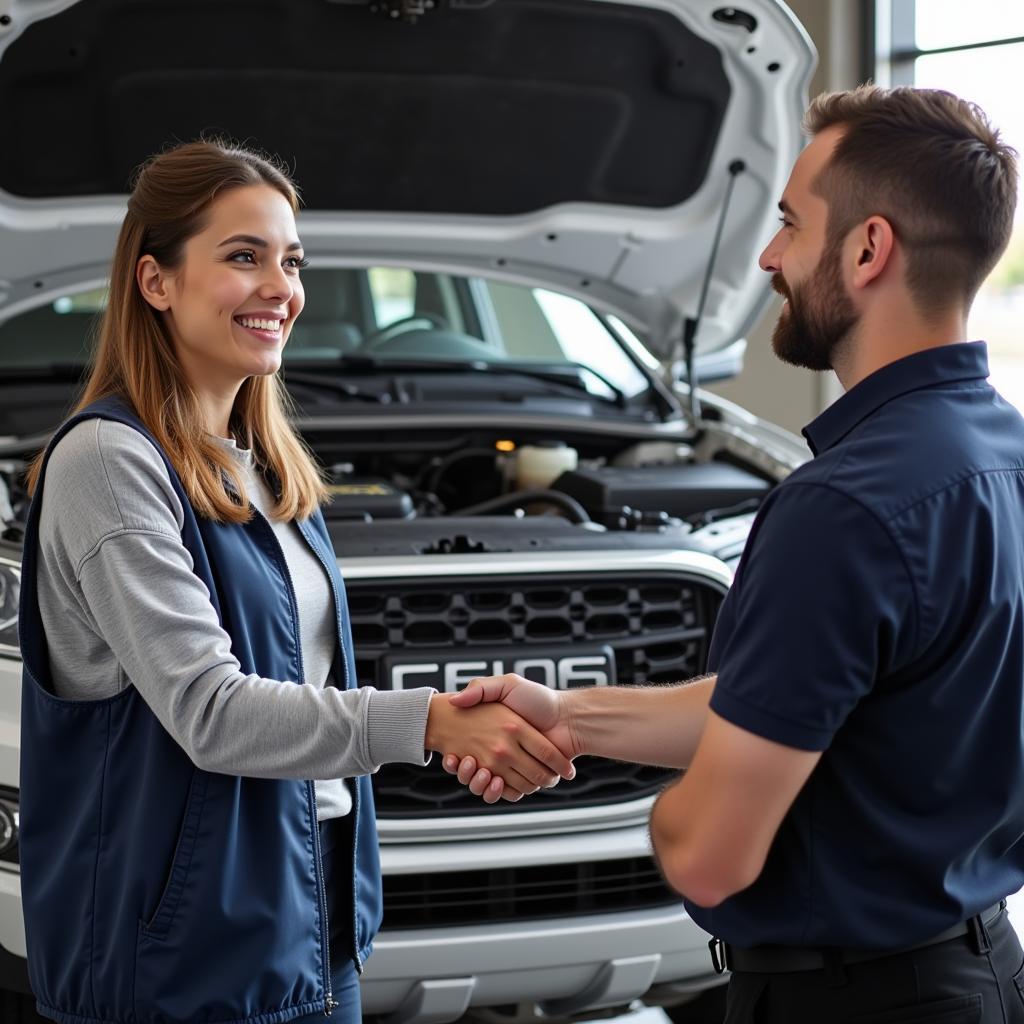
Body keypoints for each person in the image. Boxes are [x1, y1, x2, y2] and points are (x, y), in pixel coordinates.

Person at [443, 85, 1024, 1022]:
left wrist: (660, 816)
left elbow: (709, 853)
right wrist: (571, 717)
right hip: (978, 969)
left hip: (847, 1002)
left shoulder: (840, 506)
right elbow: (805, 691)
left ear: (869, 250)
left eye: (792, 224)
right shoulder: (1002, 453)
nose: (768, 256)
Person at [16, 139, 574, 1024]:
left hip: (310, 929)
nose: (282, 287)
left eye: (291, 261)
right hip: (179, 966)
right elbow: (211, 712)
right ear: (155, 281)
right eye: (244, 257)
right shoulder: (107, 462)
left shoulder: (272, 473)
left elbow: (310, 689)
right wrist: (432, 720)